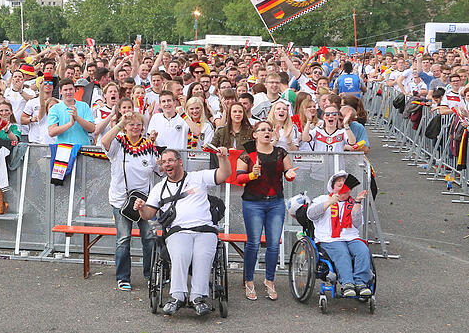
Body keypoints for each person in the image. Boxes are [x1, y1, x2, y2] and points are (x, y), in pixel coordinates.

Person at [134, 147, 232, 316]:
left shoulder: (198, 177)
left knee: (202, 254)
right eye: (164, 162)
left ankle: (198, 298)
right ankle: (177, 296)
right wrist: (141, 208)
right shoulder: (159, 188)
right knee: (180, 253)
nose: (167, 164)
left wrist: (223, 158)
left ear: (180, 162)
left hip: (205, 229)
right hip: (178, 231)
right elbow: (148, 214)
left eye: (170, 160)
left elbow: (224, 174)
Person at [234, 121, 298, 301]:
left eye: (269, 130)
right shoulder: (247, 154)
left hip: (276, 202)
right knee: (253, 243)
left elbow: (288, 172)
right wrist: (252, 175)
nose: (266, 132)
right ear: (255, 134)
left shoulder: (281, 152)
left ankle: (269, 280)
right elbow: (239, 178)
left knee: (273, 244)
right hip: (253, 203)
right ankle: (249, 280)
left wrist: (290, 175)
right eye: (262, 130)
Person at [100, 111, 161, 291]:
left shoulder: (149, 145)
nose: (135, 127)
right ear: (125, 127)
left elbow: (157, 168)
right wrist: (120, 123)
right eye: (131, 124)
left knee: (149, 238)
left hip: (145, 201)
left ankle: (151, 275)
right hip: (122, 200)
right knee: (123, 239)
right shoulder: (118, 142)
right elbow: (104, 142)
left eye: (138, 124)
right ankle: (123, 277)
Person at [306, 170, 372, 298]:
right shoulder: (322, 199)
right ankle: (347, 283)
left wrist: (358, 203)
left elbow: (357, 223)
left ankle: (361, 283)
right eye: (339, 185)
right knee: (342, 252)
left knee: (363, 250)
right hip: (329, 238)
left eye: (345, 185)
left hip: (351, 237)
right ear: (333, 187)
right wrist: (329, 203)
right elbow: (311, 215)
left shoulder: (352, 202)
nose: (343, 188)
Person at [47, 78, 95, 146]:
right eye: (65, 90)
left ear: (74, 90)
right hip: (63, 148)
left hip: (83, 147)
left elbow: (92, 128)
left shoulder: (84, 106)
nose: (68, 92)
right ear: (60, 91)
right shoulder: (55, 108)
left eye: (70, 89)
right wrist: (70, 124)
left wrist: (77, 118)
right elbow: (51, 132)